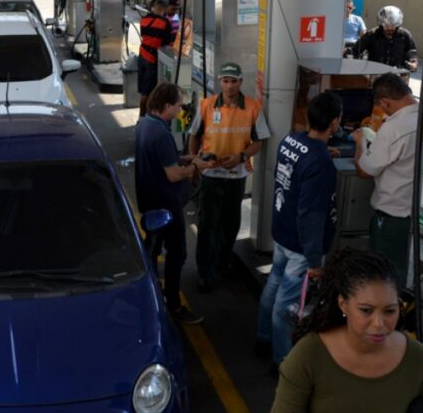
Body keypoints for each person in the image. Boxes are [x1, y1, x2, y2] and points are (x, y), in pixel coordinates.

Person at [266, 248, 423, 413]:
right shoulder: (308, 354)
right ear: (343, 304)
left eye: (390, 311)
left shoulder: (419, 360)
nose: (379, 324)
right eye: (366, 310)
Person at [257, 92, 342, 369]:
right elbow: (311, 215)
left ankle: (263, 337)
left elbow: (297, 165)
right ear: (335, 123)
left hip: (281, 232)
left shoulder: (291, 139)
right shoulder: (320, 164)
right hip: (300, 245)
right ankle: (282, 360)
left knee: (273, 283)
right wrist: (315, 260)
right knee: (287, 304)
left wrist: (321, 153)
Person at [189, 62, 271, 292]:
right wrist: (195, 161)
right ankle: (205, 272)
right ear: (220, 82)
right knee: (207, 225)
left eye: (234, 81)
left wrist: (241, 156)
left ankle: (222, 264)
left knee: (230, 223)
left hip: (237, 175)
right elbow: (194, 135)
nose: (229, 85)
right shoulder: (206, 105)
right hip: (211, 174)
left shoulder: (253, 108)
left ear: (240, 82)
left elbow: (260, 141)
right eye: (225, 80)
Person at [135, 83, 207, 325]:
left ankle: (152, 294)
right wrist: (197, 166)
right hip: (166, 203)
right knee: (177, 252)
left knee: (153, 248)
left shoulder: (145, 124)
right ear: (166, 106)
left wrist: (187, 158)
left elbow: (164, 161)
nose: (180, 110)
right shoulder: (161, 134)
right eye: (177, 105)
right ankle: (174, 303)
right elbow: (173, 174)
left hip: (149, 200)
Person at [352, 73, 418, 286]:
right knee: (404, 272)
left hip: (391, 218)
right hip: (415, 216)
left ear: (384, 102)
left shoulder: (394, 128)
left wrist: (361, 141)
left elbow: (365, 170)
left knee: (384, 275)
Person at [137, 0, 175, 117]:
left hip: (142, 56)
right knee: (148, 93)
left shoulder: (144, 20)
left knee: (143, 90)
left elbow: (146, 36)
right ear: (165, 8)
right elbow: (167, 45)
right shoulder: (165, 23)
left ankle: (143, 118)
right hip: (152, 60)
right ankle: (144, 118)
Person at [354, 5, 418, 72]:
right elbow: (356, 49)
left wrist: (413, 62)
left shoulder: (405, 35)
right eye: (386, 27)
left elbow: (411, 51)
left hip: (398, 73)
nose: (389, 30)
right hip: (375, 73)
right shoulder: (371, 35)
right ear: (381, 24)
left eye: (393, 27)